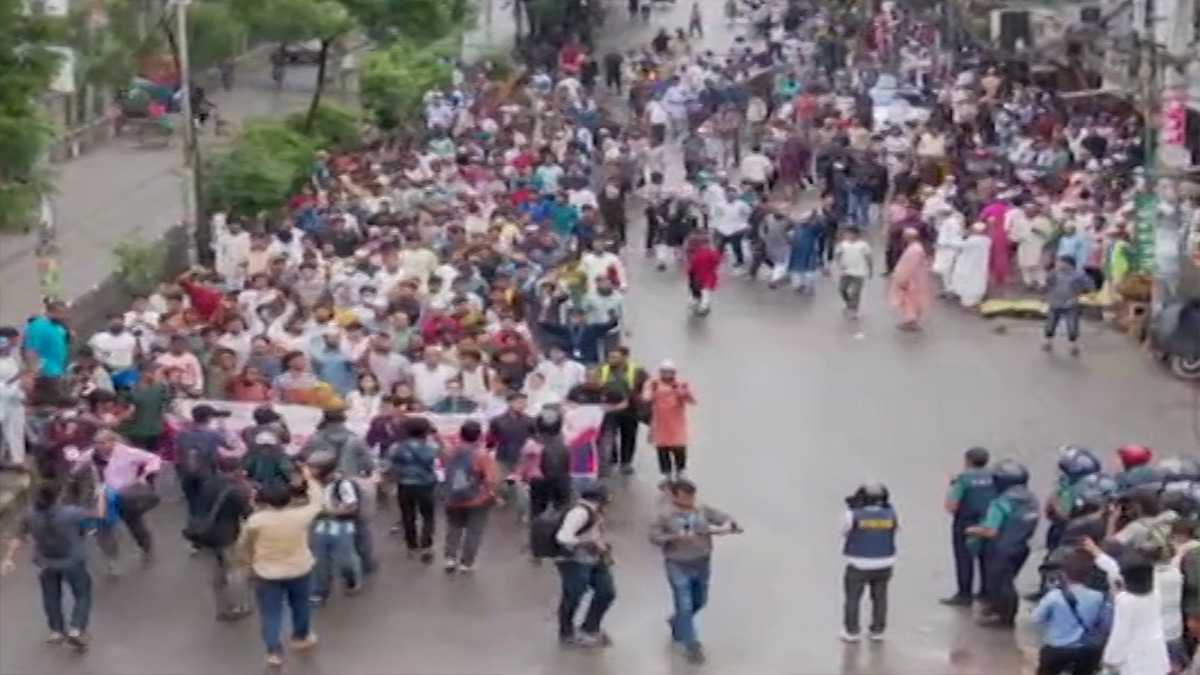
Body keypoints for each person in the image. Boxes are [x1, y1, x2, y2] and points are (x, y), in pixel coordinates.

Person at [235, 463, 323, 668]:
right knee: (301, 606)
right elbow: (318, 501)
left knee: (271, 614)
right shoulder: (300, 516)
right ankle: (301, 637)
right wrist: (309, 478)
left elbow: (244, 547)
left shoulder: (256, 521)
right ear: (289, 499)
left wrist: (246, 566)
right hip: (299, 569)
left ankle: (274, 652)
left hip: (267, 574)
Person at [1, 482, 105, 649]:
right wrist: (101, 494)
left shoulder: (30, 514)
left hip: (46, 562)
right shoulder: (70, 513)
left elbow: (18, 537)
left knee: (51, 596)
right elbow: (99, 514)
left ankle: (56, 631)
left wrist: (9, 557)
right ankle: (76, 629)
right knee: (82, 594)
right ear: (58, 496)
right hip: (72, 560)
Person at [649, 479, 741, 664]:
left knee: (700, 600)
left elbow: (724, 518)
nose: (690, 501)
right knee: (684, 603)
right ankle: (691, 644)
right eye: (685, 497)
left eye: (691, 496)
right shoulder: (664, 515)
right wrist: (675, 537)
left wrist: (729, 525)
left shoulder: (701, 511)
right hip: (677, 564)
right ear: (674, 497)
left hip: (701, 562)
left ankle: (678, 622)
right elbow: (654, 537)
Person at [968, 459, 1040, 628]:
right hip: (1021, 546)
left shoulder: (1001, 502)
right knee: (1007, 581)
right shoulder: (1030, 499)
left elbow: (991, 531)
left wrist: (971, 530)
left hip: (1001, 548)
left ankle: (1005, 618)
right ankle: (1000, 610)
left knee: (1000, 584)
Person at [187, 456, 254, 621]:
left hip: (206, 533)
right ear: (238, 470)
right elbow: (247, 513)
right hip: (227, 535)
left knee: (218, 570)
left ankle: (221, 607)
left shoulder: (210, 483)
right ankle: (235, 607)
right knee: (233, 572)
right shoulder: (238, 489)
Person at [554, 484, 616, 647]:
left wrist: (604, 549)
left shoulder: (596, 512)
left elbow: (595, 533)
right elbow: (563, 537)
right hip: (574, 561)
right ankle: (566, 632)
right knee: (573, 595)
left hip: (595, 559)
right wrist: (586, 543)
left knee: (607, 592)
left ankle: (590, 627)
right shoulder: (579, 513)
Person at [1030, 549, 1110, 675]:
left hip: (1056, 648)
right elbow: (1104, 624)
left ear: (1064, 574)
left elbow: (1036, 618)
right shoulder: (1098, 597)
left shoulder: (1054, 596)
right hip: (1086, 649)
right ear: (1089, 575)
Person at [841, 482, 898, 643]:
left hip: (858, 562)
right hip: (885, 562)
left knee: (853, 598)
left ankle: (852, 632)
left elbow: (844, 531)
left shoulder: (853, 514)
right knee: (880, 598)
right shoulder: (891, 513)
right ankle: (877, 631)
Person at [306, 450, 364, 605]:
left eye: (314, 468)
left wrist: (329, 512)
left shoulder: (343, 484)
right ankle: (320, 591)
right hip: (321, 527)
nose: (311, 471)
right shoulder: (313, 485)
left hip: (342, 527)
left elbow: (352, 506)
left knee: (346, 560)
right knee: (319, 561)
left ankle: (352, 579)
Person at [441, 420, 499, 573]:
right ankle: (466, 563)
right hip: (477, 499)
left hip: (453, 497)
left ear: (461, 434)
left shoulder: (450, 452)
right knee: (474, 531)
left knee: (453, 528)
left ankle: (450, 558)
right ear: (479, 436)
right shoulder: (482, 455)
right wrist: (492, 494)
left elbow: (446, 470)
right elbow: (490, 479)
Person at [942, 446, 996, 606]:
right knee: (986, 557)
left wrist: (952, 487)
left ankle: (964, 594)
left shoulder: (963, 479)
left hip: (966, 523)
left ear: (968, 461)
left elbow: (951, 506)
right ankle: (986, 592)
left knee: (964, 559)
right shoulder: (995, 476)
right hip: (989, 522)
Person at [385, 417, 441, 563]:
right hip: (426, 483)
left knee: (408, 515)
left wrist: (390, 480)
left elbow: (389, 465)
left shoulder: (397, 447)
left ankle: (412, 545)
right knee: (428, 515)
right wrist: (437, 435)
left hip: (404, 484)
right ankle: (426, 544)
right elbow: (442, 454)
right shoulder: (431, 446)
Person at [641, 361, 695, 479]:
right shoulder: (654, 384)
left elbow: (691, 401)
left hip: (677, 422)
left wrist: (682, 392)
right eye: (664, 372)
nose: (667, 374)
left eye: (670, 372)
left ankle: (681, 470)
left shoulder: (680, 384)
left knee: (679, 446)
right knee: (662, 448)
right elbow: (646, 398)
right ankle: (666, 473)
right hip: (659, 423)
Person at [1042, 255, 1095, 356]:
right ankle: (1048, 342)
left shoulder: (1078, 275)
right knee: (1050, 324)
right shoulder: (1054, 273)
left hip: (1071, 303)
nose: (1058, 264)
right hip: (1055, 302)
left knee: (1072, 325)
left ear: (1068, 264)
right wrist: (1047, 296)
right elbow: (1048, 284)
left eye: (1061, 262)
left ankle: (1073, 346)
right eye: (1058, 262)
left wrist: (1081, 292)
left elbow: (1089, 286)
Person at [888, 227, 933, 330]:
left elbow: (909, 266)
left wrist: (903, 280)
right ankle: (912, 320)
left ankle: (911, 321)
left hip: (912, 280)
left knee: (910, 300)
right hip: (916, 279)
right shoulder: (916, 248)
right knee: (913, 300)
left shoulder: (914, 250)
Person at [833, 227, 874, 320]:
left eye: (851, 234)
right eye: (847, 234)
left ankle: (854, 309)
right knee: (842, 289)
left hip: (859, 272)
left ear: (857, 235)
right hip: (846, 271)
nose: (848, 236)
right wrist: (839, 265)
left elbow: (868, 258)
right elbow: (838, 255)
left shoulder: (863, 245)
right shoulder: (843, 245)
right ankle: (849, 303)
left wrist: (870, 269)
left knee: (855, 292)